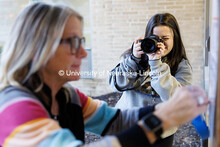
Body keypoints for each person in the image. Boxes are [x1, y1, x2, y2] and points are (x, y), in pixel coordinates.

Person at [0, 3, 208, 147]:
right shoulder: (16, 108)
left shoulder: (68, 96)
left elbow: (115, 121)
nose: (83, 53)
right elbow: (117, 83)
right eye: (73, 43)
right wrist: (162, 117)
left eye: (82, 42)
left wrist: (172, 108)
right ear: (39, 48)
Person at [109, 13, 192, 146]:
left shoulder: (181, 66)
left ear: (174, 39)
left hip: (161, 131)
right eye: (155, 38)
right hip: (128, 125)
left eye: (165, 38)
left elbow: (177, 100)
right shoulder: (134, 57)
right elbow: (115, 85)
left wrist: (156, 64)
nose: (160, 43)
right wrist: (133, 60)